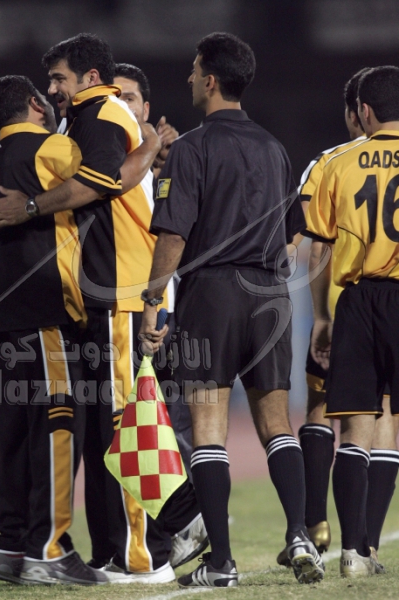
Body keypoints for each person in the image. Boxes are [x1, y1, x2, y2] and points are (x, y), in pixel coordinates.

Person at [0, 33, 206, 584]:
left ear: (90, 77)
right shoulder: (85, 119)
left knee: (123, 424)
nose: (52, 88)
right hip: (102, 294)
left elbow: (104, 179)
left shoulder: (100, 111)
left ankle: (143, 554)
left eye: (59, 78)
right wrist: (148, 142)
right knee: (109, 427)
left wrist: (30, 206)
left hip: (118, 290)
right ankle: (130, 542)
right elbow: (121, 171)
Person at [140, 32, 324, 588]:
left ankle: (221, 562)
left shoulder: (191, 148)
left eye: (196, 70)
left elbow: (173, 235)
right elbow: (295, 232)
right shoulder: (274, 147)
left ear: (212, 80)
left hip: (212, 293)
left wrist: (153, 301)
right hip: (269, 294)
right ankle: (299, 534)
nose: (191, 78)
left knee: (208, 426)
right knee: (277, 422)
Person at [277, 68, 399, 571]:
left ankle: (343, 545)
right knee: (388, 420)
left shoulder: (332, 161)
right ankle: (367, 545)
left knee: (350, 421)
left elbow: (312, 244)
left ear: (362, 111)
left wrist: (323, 317)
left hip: (355, 299)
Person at [114, 62, 179, 178]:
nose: (121, 106)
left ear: (145, 110)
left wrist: (171, 161)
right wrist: (152, 143)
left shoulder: (156, 164)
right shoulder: (86, 153)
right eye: (113, 98)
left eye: (129, 99)